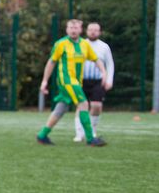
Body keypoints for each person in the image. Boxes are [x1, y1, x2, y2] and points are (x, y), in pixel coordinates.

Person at [37, 19, 107, 147]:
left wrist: (104, 73)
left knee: (61, 108)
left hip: (77, 82)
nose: (73, 30)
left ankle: (42, 135)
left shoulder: (84, 44)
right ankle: (90, 139)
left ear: (80, 30)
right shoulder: (61, 44)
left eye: (76, 28)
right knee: (84, 104)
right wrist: (44, 81)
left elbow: (96, 59)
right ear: (66, 29)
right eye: (70, 28)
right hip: (66, 81)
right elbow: (51, 62)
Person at [74, 22, 114, 142]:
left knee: (97, 105)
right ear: (86, 31)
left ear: (100, 32)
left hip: (98, 81)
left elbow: (110, 64)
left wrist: (109, 80)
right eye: (91, 30)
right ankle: (79, 133)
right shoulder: (80, 44)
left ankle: (91, 130)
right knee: (81, 106)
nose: (93, 32)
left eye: (96, 30)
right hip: (81, 80)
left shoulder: (104, 47)